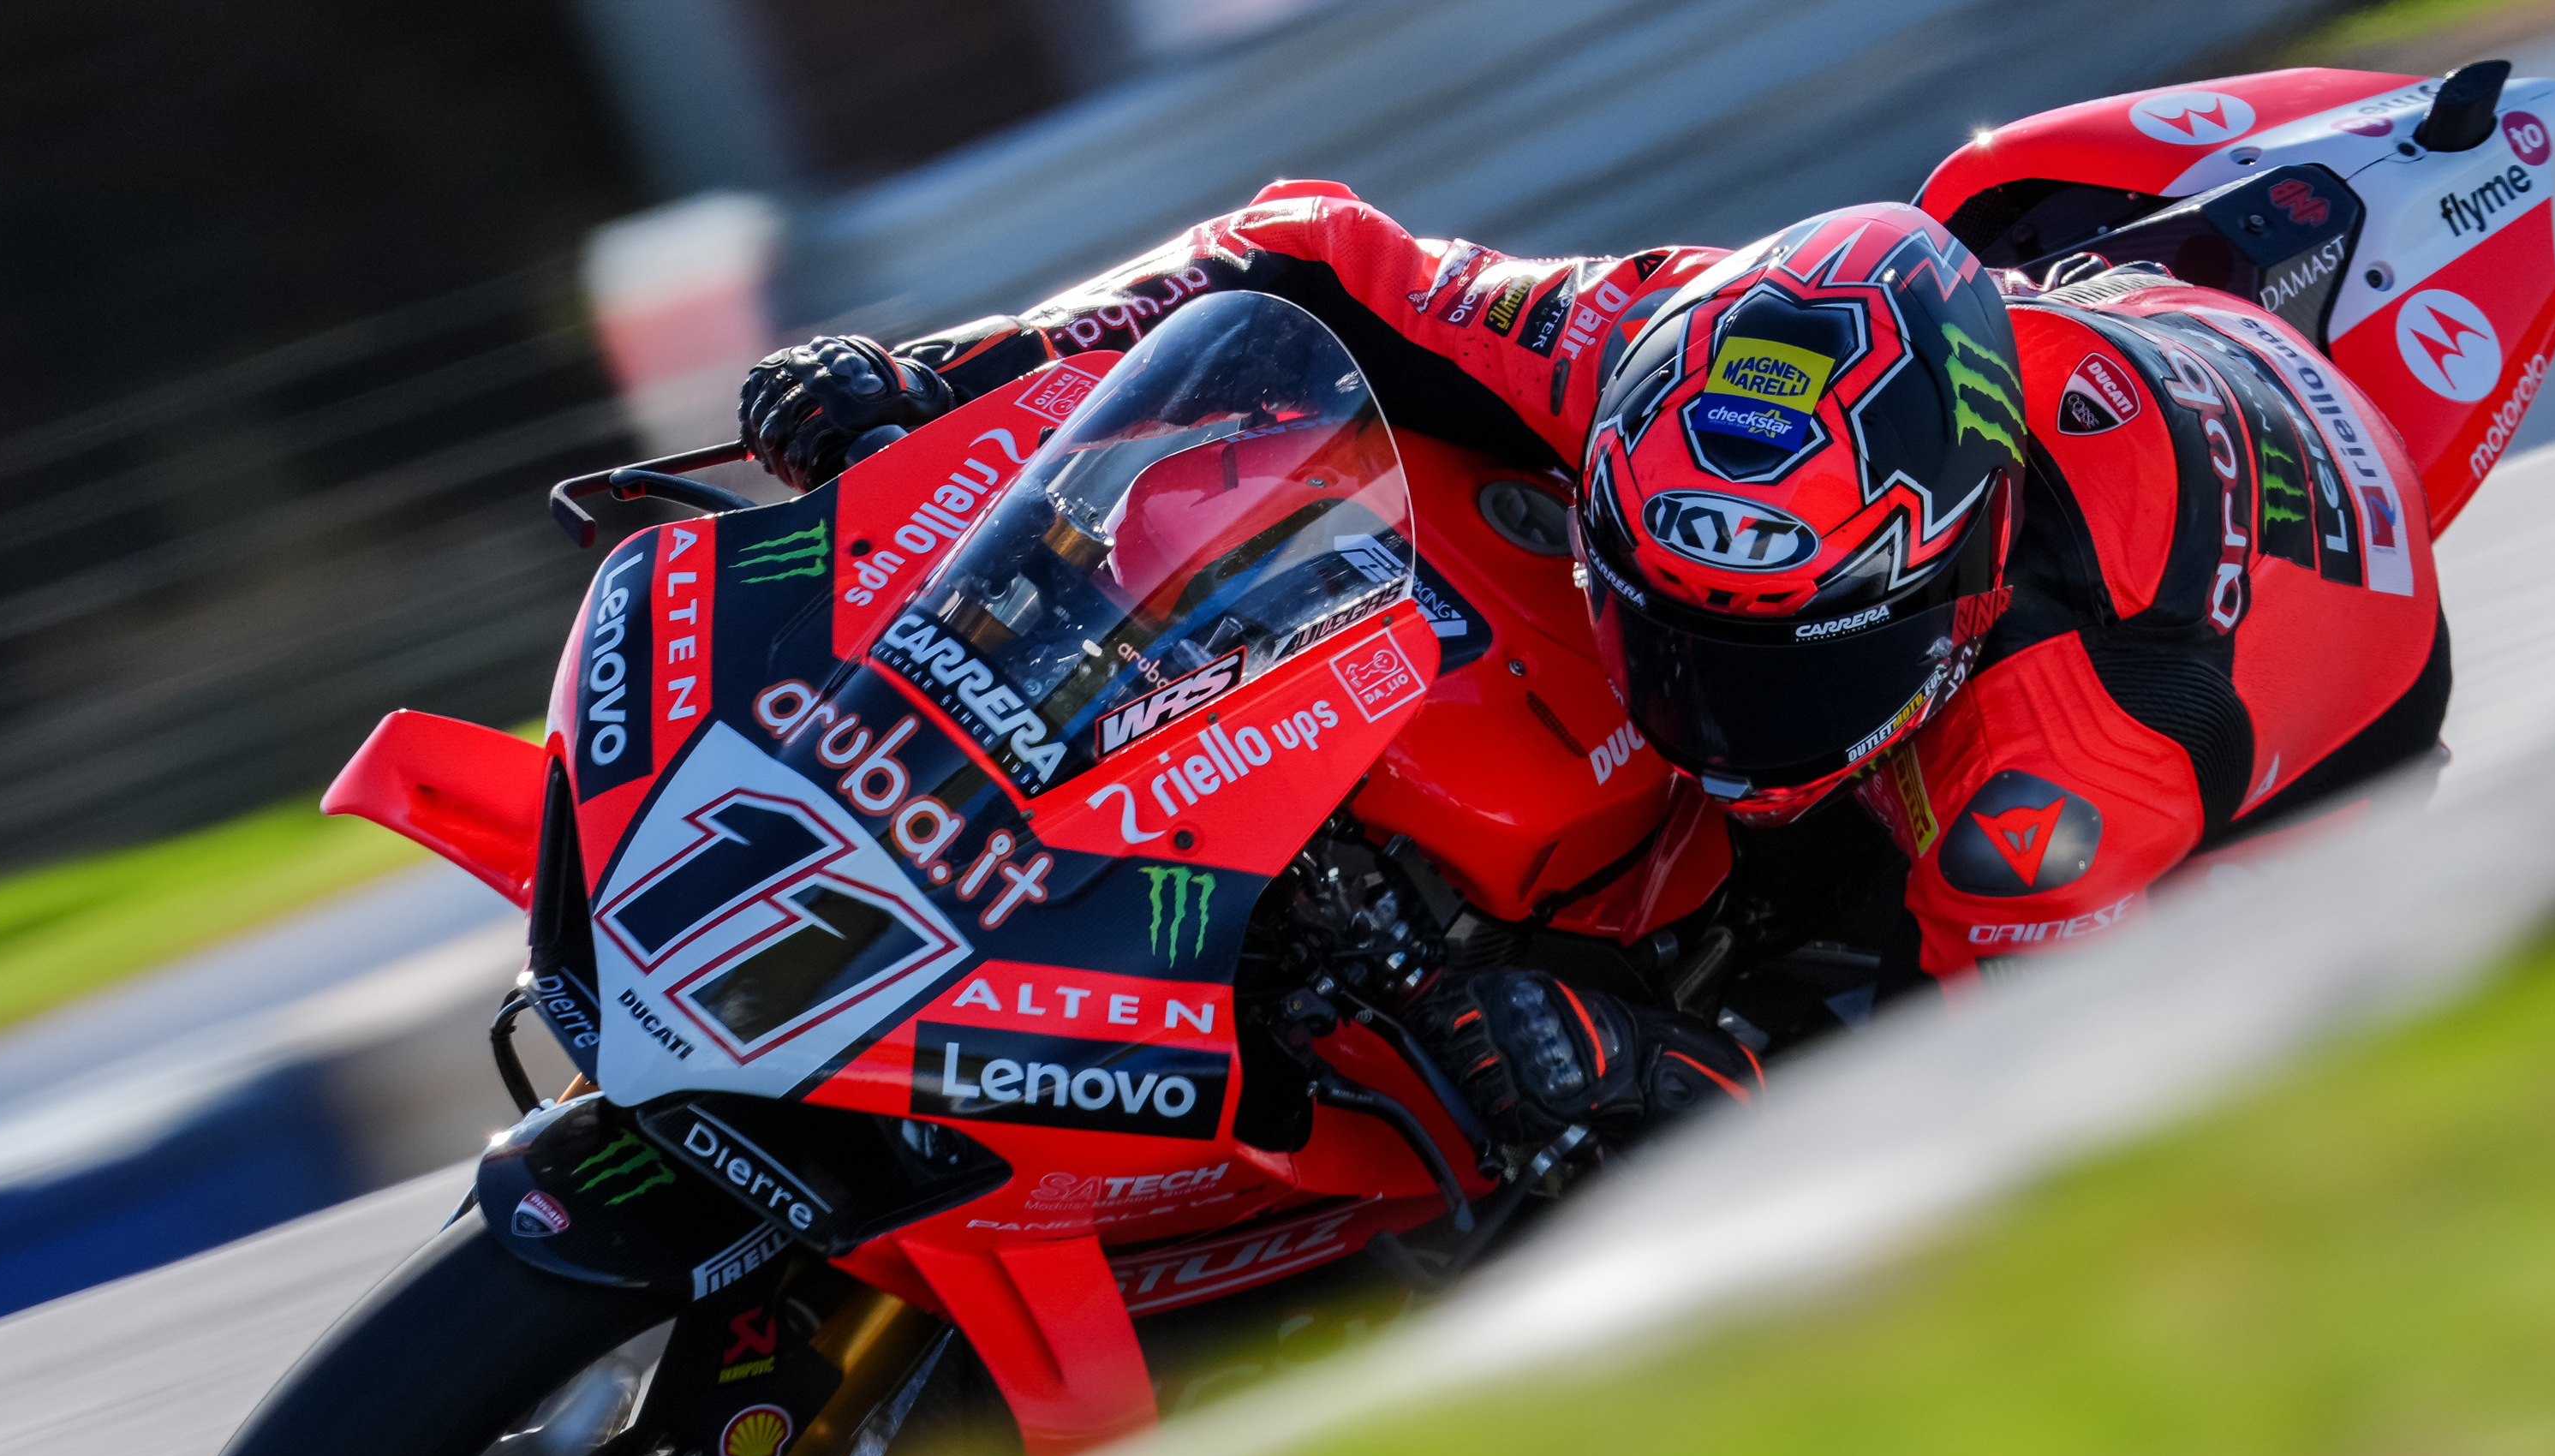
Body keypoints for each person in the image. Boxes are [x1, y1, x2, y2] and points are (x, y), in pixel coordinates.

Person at [735, 183, 2448, 1155]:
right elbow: (1303, 254)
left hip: (2292, 726)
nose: (1710, 721)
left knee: (1699, 1029)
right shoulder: (1642, 342)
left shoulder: (2057, 777)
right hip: (2056, 346)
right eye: (1670, 631)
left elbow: (1974, 1134)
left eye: (1770, 668)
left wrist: (1647, 1072)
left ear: (1952, 586)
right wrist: (956, 370)